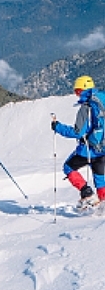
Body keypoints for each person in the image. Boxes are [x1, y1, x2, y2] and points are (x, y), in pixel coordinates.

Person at [51, 75, 105, 208]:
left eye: (77, 91)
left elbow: (77, 132)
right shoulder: (102, 100)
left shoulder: (87, 107)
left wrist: (57, 127)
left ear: (82, 90)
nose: (76, 95)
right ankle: (103, 204)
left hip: (89, 149)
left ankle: (86, 193)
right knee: (100, 179)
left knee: (68, 167)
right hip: (103, 149)